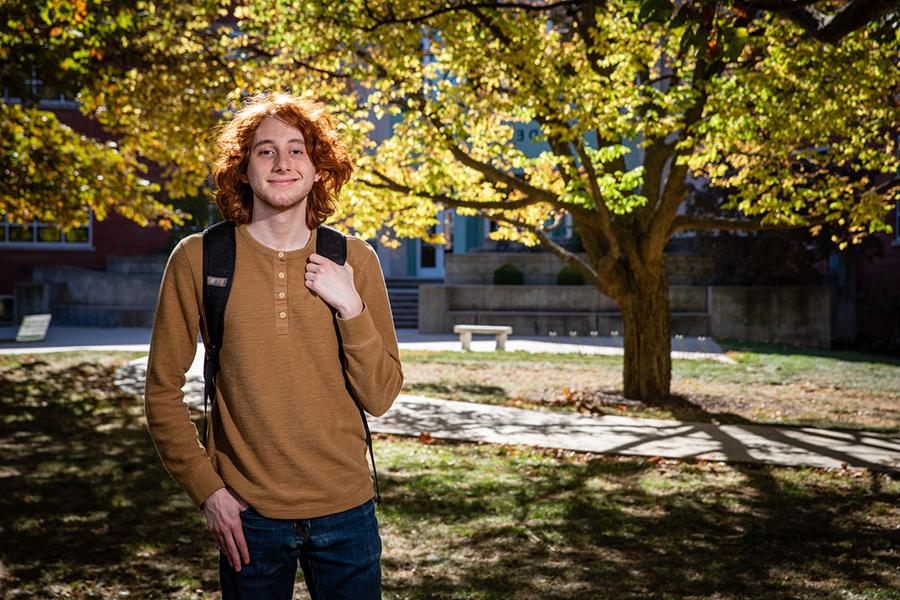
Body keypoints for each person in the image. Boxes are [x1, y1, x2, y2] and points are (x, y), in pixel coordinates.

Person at [144, 91, 404, 599]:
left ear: (317, 166)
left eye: (297, 150)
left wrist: (351, 307)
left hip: (347, 512)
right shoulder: (199, 258)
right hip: (248, 518)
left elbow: (382, 396)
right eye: (265, 151)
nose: (282, 163)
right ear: (243, 168)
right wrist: (209, 492)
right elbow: (161, 393)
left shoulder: (356, 259)